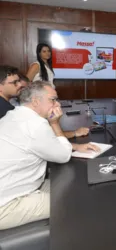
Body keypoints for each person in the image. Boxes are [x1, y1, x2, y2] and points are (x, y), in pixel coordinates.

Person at [0, 81, 99, 230]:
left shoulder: (12, 116)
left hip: (11, 188)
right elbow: (63, 155)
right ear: (35, 102)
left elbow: (37, 144)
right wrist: (54, 123)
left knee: (72, 186)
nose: (57, 104)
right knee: (75, 200)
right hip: (6, 204)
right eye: (53, 100)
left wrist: (76, 146)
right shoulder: (36, 125)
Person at [0, 65, 89, 138]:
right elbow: (42, 138)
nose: (19, 85)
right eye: (14, 82)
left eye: (19, 81)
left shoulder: (8, 105)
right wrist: (73, 133)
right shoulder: (6, 110)